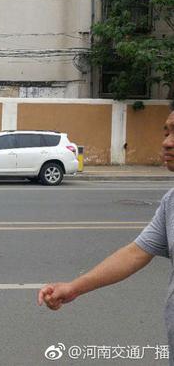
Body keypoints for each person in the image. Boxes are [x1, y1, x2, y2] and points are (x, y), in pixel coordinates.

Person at [38, 110, 174, 362]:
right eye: (166, 132)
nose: (167, 142)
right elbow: (135, 253)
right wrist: (73, 288)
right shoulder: (171, 202)